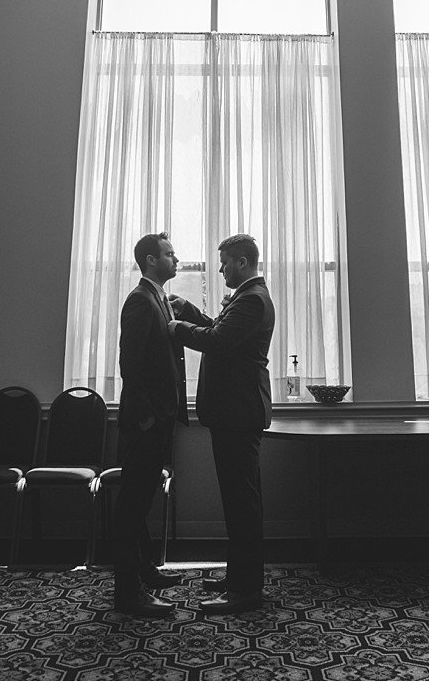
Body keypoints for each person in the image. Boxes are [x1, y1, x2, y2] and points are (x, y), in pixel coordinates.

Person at [169, 233, 275, 615]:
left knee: (242, 503)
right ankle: (238, 577)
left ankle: (246, 591)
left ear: (242, 262)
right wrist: (189, 311)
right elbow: (219, 328)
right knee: (238, 500)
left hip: (238, 413)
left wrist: (175, 329)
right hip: (234, 412)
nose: (220, 269)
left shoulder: (252, 300)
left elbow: (217, 341)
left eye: (225, 262)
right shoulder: (249, 298)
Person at [110, 232, 188, 618]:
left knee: (140, 501)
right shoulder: (140, 301)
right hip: (146, 423)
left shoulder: (160, 299)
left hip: (158, 421)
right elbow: (132, 365)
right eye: (170, 254)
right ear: (150, 260)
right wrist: (146, 418)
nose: (177, 259)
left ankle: (144, 572)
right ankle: (128, 594)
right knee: (132, 504)